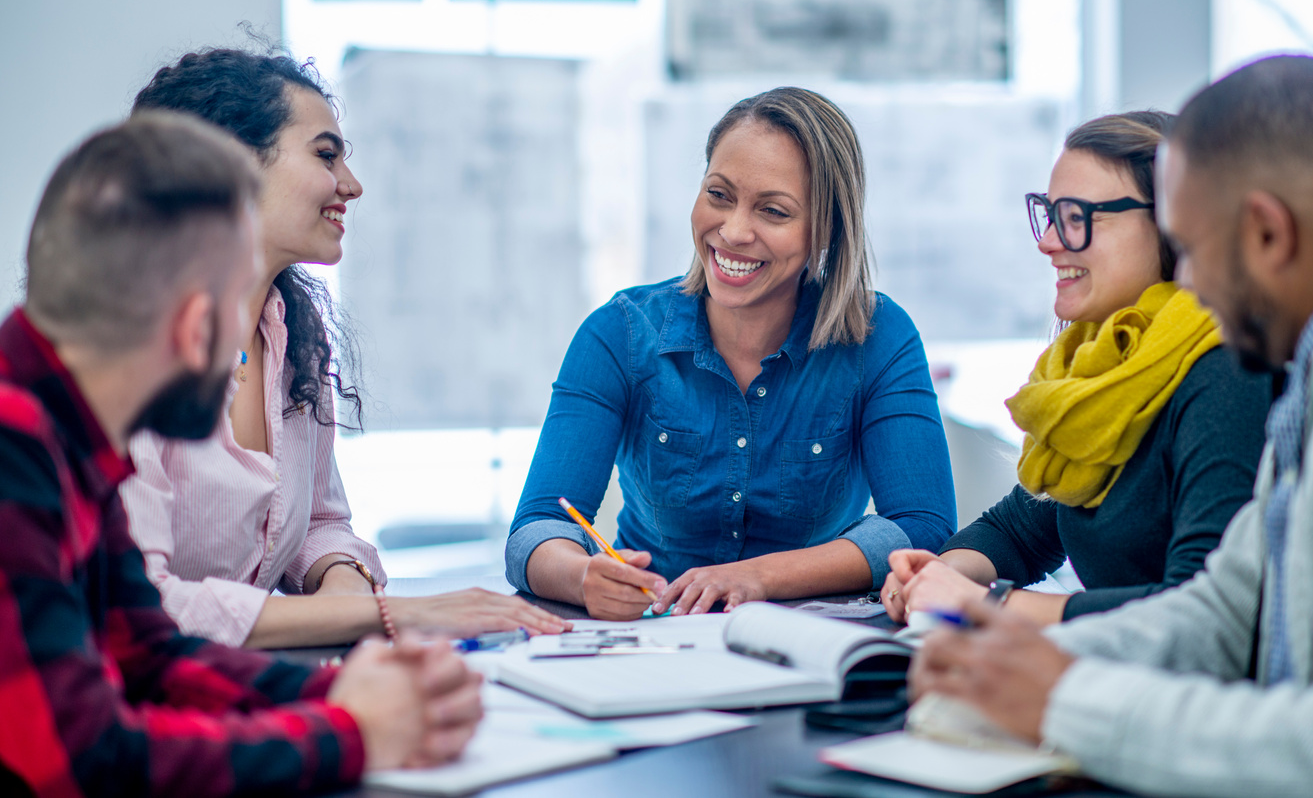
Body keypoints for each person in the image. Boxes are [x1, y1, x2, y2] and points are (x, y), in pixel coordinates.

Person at [0, 113, 481, 796]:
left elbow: (151, 655)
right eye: (240, 307)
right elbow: (80, 756)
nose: (251, 347)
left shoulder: (69, 438)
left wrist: (348, 686)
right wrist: (350, 732)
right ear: (199, 328)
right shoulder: (15, 445)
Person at [909, 55, 1313, 798]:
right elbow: (1218, 609)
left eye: (1195, 249)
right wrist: (1007, 656)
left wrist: (1061, 695)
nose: (1191, 284)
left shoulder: (1265, 377)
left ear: (1269, 234)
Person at [119, 47, 568, 648]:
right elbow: (144, 606)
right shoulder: (122, 352)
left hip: (240, 688)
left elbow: (319, 525)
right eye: (326, 156)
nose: (351, 186)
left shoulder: (293, 339)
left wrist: (343, 580)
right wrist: (388, 614)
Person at [507, 86, 957, 620]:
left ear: (827, 229)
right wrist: (584, 577)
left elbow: (922, 525)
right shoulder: (619, 334)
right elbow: (535, 528)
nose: (734, 230)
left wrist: (757, 577)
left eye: (773, 210)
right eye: (719, 195)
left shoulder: (878, 336)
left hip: (817, 644)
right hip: (659, 638)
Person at [881, 113, 1270, 626]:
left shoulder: (1227, 372)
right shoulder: (1101, 363)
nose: (1048, 243)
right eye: (1049, 214)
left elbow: (1201, 610)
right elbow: (1021, 529)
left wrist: (989, 604)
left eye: (1079, 217)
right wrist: (941, 573)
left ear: (1176, 223)